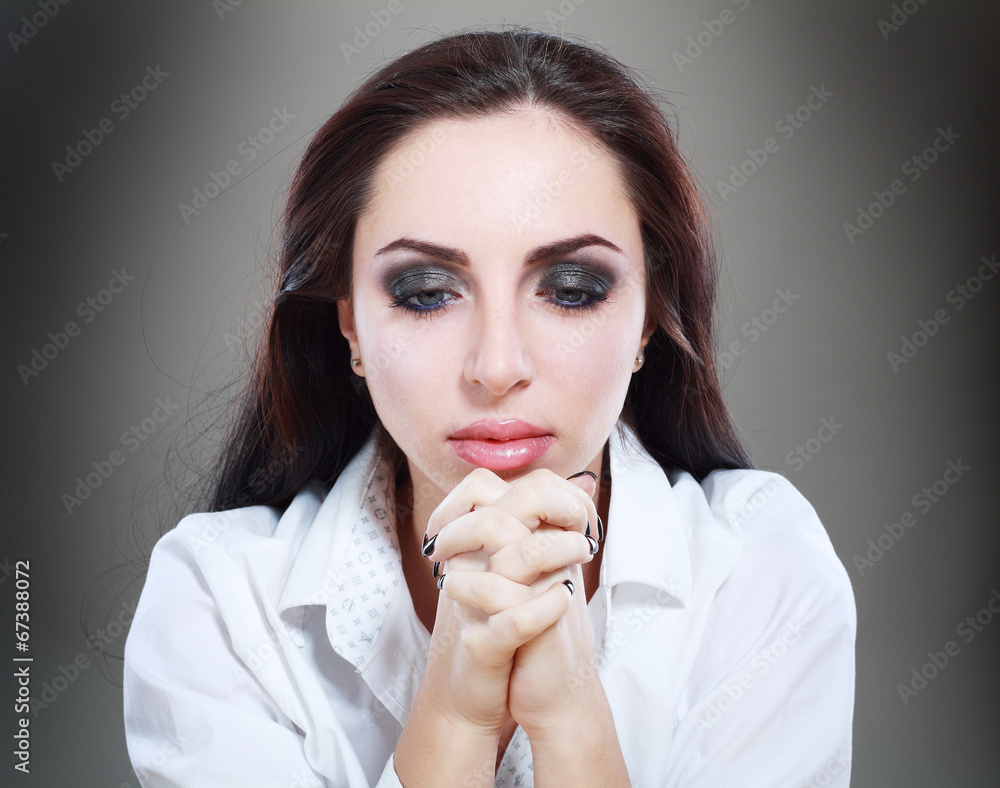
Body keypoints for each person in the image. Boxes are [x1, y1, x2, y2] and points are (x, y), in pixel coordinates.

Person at [123, 27, 855, 787]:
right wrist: (453, 718)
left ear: (647, 320)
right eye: (426, 293)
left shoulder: (759, 569)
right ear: (351, 327)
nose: (498, 367)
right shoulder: (217, 600)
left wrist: (572, 721)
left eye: (571, 289)